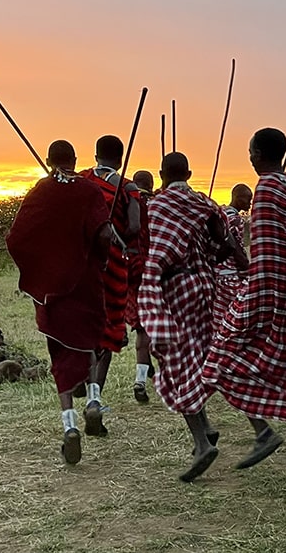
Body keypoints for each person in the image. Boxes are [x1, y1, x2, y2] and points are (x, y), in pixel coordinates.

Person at [202, 128, 286, 496]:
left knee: (221, 360)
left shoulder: (266, 189)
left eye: (250, 150)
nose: (248, 155)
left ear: (261, 153)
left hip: (271, 295)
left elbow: (266, 253)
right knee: (273, 372)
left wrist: (252, 302)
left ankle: (266, 433)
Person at [6, 140, 112, 464]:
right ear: (75, 160)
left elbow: (15, 238)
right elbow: (105, 235)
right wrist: (101, 260)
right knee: (91, 343)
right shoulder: (90, 192)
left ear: (50, 160)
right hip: (87, 284)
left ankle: (69, 425)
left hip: (51, 290)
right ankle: (93, 400)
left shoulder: (40, 191)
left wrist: (40, 269)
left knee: (60, 354)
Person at [138, 152, 236, 481]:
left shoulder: (156, 207)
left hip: (175, 289)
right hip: (205, 286)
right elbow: (225, 243)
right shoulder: (206, 205)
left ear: (161, 173)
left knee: (176, 363)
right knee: (194, 357)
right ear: (190, 173)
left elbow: (147, 253)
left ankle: (201, 442)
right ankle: (206, 429)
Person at [78, 135, 141, 435]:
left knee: (86, 333)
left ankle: (84, 384)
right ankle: (94, 399)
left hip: (81, 268)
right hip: (113, 269)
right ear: (120, 157)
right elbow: (135, 228)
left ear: (95, 154)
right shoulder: (127, 188)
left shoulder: (81, 181)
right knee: (107, 337)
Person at [129, 170, 156, 403]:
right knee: (156, 331)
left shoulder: (124, 203)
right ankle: (143, 376)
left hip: (130, 273)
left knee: (141, 329)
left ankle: (142, 377)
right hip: (156, 274)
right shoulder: (156, 204)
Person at [214, 183, 252, 326]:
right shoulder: (235, 220)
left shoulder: (221, 215)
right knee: (236, 318)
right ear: (237, 198)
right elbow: (236, 248)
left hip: (217, 275)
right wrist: (246, 271)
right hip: (230, 275)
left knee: (219, 319)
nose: (250, 203)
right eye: (247, 199)